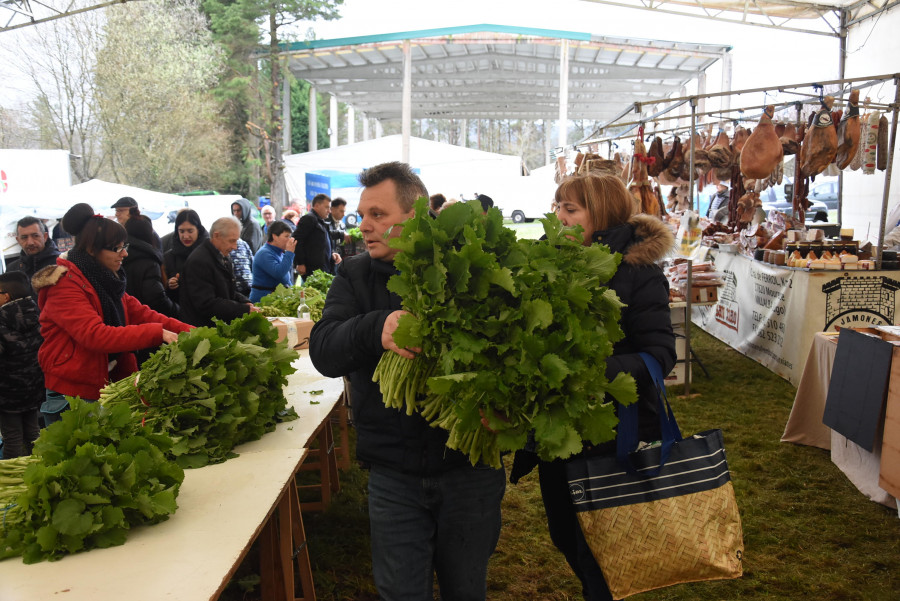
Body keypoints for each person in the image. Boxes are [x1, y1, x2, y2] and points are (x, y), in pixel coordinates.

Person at [309, 161, 505, 601]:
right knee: (401, 592)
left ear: (414, 216)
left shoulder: (467, 271)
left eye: (377, 215)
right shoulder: (354, 277)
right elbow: (323, 349)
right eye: (362, 216)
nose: (364, 226)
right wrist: (376, 327)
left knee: (467, 588)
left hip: (468, 466)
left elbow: (509, 351)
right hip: (393, 473)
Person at [537, 172, 676, 601]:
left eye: (570, 209)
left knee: (598, 547)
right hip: (557, 430)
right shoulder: (551, 264)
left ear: (602, 214)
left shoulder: (640, 274)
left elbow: (659, 355)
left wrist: (591, 370)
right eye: (558, 206)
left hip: (613, 431)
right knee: (564, 532)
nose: (558, 217)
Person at [31, 203, 192, 424]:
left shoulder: (104, 278)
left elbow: (142, 313)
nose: (125, 253)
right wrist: (157, 333)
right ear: (91, 250)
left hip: (105, 382)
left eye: (124, 245)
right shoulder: (64, 284)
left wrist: (193, 332)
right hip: (73, 392)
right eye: (117, 248)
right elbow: (95, 335)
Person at [179, 216, 260, 327]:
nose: (235, 247)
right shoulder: (199, 261)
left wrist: (245, 301)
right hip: (202, 330)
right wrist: (243, 309)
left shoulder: (223, 256)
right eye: (232, 241)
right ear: (216, 236)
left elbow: (227, 291)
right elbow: (207, 303)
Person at [0, 271, 44, 457]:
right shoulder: (36, 313)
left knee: (12, 437)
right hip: (34, 388)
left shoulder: (1, 320)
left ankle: (16, 479)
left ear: (5, 295)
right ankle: (40, 471)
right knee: (34, 433)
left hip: (8, 393)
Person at [124, 216, 180, 318]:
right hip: (147, 319)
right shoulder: (149, 261)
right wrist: (178, 310)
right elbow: (156, 298)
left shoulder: (120, 255)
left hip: (127, 317)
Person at [163, 209, 208, 306]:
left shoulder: (210, 253)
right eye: (181, 231)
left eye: (190, 231)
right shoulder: (169, 257)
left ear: (198, 230)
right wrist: (169, 284)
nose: (185, 236)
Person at [9, 216, 61, 297]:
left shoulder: (61, 264)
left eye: (35, 236)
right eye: (24, 237)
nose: (30, 242)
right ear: (18, 240)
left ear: (45, 236)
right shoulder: (12, 270)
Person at [292, 193, 341, 277]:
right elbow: (297, 240)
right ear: (317, 205)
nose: (329, 211)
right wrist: (300, 263)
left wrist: (332, 253)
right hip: (313, 271)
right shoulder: (309, 219)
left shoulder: (320, 221)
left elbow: (321, 242)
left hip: (324, 268)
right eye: (327, 207)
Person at [249, 222, 297, 302]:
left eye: (290, 236)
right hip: (263, 301)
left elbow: (286, 279)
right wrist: (289, 253)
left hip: (276, 298)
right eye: (286, 236)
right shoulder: (264, 253)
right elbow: (279, 273)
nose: (290, 240)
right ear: (274, 236)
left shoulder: (279, 252)